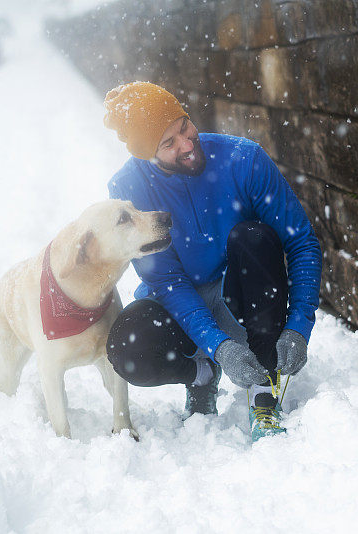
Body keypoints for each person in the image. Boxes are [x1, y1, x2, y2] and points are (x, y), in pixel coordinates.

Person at [102, 81, 322, 441]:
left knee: (254, 236)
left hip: (244, 297)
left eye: (184, 126)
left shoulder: (243, 159)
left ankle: (264, 390)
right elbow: (167, 280)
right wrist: (219, 348)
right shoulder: (129, 190)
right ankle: (202, 375)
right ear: (147, 154)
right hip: (181, 303)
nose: (188, 145)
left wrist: (299, 326)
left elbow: (302, 243)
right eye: (169, 143)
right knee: (128, 347)